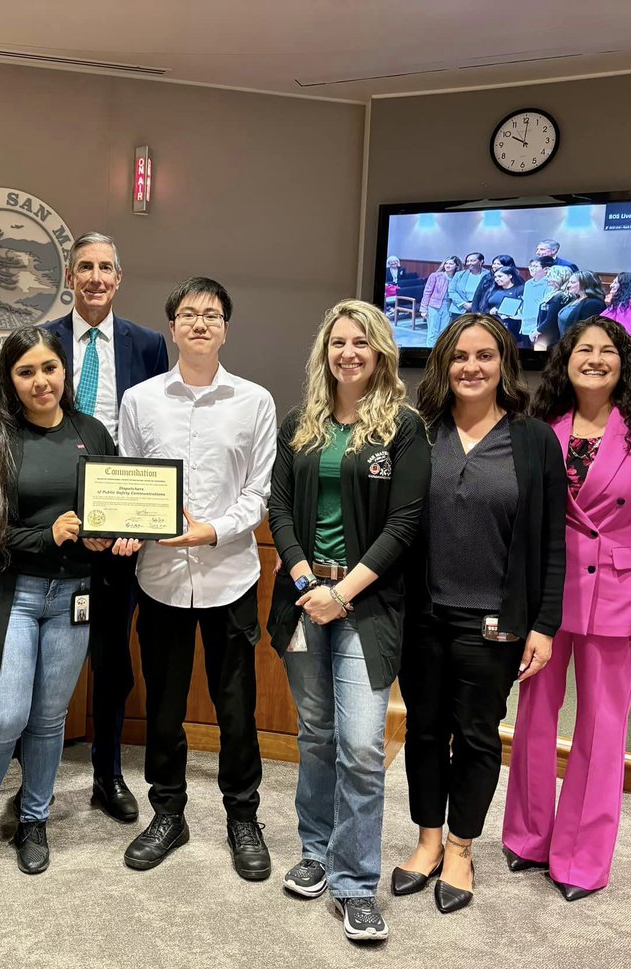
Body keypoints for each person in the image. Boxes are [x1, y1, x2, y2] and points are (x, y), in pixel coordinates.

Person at [503, 317, 631, 900]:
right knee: (534, 714)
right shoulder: (543, 425)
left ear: (624, 361)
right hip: (551, 594)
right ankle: (528, 836)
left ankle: (581, 859)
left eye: (607, 350)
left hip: (623, 596)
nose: (594, 359)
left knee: (602, 728)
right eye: (583, 349)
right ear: (566, 359)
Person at [266, 299, 429, 942]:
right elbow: (279, 507)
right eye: (338, 341)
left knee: (361, 744)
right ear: (324, 352)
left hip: (370, 605)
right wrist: (306, 577)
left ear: (380, 351)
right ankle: (314, 853)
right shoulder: (300, 423)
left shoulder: (404, 428)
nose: (349, 352)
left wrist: (345, 592)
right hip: (307, 597)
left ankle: (355, 882)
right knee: (315, 735)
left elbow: (404, 524)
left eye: (361, 341)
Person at [396, 313, 565, 913]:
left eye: (485, 356)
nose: (471, 367)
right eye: (460, 356)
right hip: (424, 615)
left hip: (494, 623)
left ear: (504, 364)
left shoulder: (534, 441)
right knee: (421, 730)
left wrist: (544, 625)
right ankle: (427, 841)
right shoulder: (419, 432)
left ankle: (463, 849)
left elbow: (551, 543)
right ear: (443, 364)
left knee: (474, 737)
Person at [119, 277, 277, 881]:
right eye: (188, 314)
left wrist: (211, 530)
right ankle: (169, 813)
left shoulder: (254, 401)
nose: (200, 323)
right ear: (173, 326)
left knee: (236, 708)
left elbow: (259, 492)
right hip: (158, 577)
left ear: (226, 328)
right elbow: (130, 481)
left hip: (229, 576)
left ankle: (243, 817)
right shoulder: (141, 401)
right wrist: (129, 524)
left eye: (212, 314)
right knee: (162, 705)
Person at [0, 326, 121, 881]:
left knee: (49, 719)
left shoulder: (91, 432)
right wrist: (42, 536)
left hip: (75, 595)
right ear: (10, 379)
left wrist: (110, 535)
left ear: (64, 372)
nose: (40, 381)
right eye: (26, 372)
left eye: (49, 368)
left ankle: (34, 818)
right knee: (3, 717)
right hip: (11, 596)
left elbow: (115, 506)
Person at [42, 231, 168, 822]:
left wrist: (136, 521)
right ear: (70, 277)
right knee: (45, 657)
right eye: (84, 267)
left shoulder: (147, 345)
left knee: (114, 660)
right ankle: (34, 778)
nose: (95, 278)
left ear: (120, 278)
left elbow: (156, 433)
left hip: (123, 521)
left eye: (106, 269)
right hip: (57, 519)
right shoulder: (42, 342)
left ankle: (107, 774)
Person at [554, 271, 608, 339]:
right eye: (569, 282)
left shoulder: (593, 304)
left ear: (585, 284)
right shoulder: (576, 299)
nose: (568, 285)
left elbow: (587, 331)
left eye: (573, 282)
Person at [421, 257, 461, 348]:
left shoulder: (458, 278)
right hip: (434, 306)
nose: (448, 265)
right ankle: (430, 351)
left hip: (449, 307)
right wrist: (423, 309)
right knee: (432, 331)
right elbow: (427, 292)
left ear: (456, 266)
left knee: (444, 332)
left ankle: (440, 353)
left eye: (451, 264)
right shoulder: (436, 276)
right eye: (446, 263)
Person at [534, 265, 576, 349]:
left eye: (550, 276)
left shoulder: (560, 296)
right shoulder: (555, 292)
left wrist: (538, 331)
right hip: (546, 333)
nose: (547, 279)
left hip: (550, 336)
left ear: (558, 277)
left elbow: (551, 319)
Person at [482, 267, 526, 343]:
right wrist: (490, 311)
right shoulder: (493, 290)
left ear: (510, 276)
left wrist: (500, 310)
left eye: (500, 276)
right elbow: (485, 308)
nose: (497, 279)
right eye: (495, 277)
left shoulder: (520, 289)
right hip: (493, 326)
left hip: (512, 328)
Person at [600, 271, 631, 343]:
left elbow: (626, 331)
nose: (611, 285)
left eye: (615, 283)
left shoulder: (628, 305)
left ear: (624, 286)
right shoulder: (620, 303)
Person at [519, 256, 554, 349]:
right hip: (525, 325)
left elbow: (546, 308)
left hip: (538, 327)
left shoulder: (550, 284)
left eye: (535, 266)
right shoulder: (528, 283)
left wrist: (539, 328)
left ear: (546, 269)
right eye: (530, 266)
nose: (531, 269)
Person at [447, 252, 487, 321]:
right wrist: (463, 304)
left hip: (480, 310)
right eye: (467, 261)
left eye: (472, 261)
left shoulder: (488, 275)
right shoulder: (459, 275)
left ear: (481, 261)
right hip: (459, 309)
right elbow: (451, 291)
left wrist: (475, 304)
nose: (469, 263)